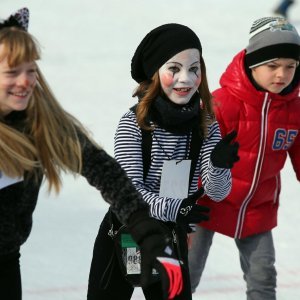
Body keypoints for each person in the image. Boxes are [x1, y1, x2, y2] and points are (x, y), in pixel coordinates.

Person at [0, 8, 185, 300]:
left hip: (6, 262)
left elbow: (102, 169)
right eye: (12, 72)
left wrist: (143, 226)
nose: (25, 82)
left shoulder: (39, 124)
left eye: (31, 70)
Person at [87, 23, 239, 300]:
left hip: (170, 238)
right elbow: (128, 194)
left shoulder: (206, 125)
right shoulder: (133, 124)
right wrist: (177, 209)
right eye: (174, 69)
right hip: (126, 231)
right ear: (155, 73)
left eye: (194, 69)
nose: (186, 79)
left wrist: (218, 166)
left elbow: (218, 192)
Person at [188, 16, 300, 300]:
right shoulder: (223, 103)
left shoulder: (293, 110)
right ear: (252, 64)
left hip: (256, 208)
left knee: (263, 278)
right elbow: (191, 152)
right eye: (272, 65)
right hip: (205, 201)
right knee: (185, 273)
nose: (282, 75)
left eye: (290, 66)